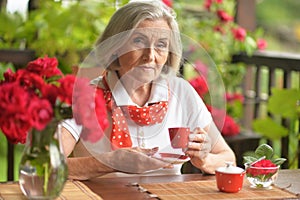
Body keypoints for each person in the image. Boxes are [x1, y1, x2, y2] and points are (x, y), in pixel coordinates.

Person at [61, 0, 236, 180]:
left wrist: (205, 160)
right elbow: (46, 166)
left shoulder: (181, 92)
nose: (150, 56)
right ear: (115, 48)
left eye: (161, 44)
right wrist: (108, 163)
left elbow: (228, 159)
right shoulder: (86, 96)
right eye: (138, 41)